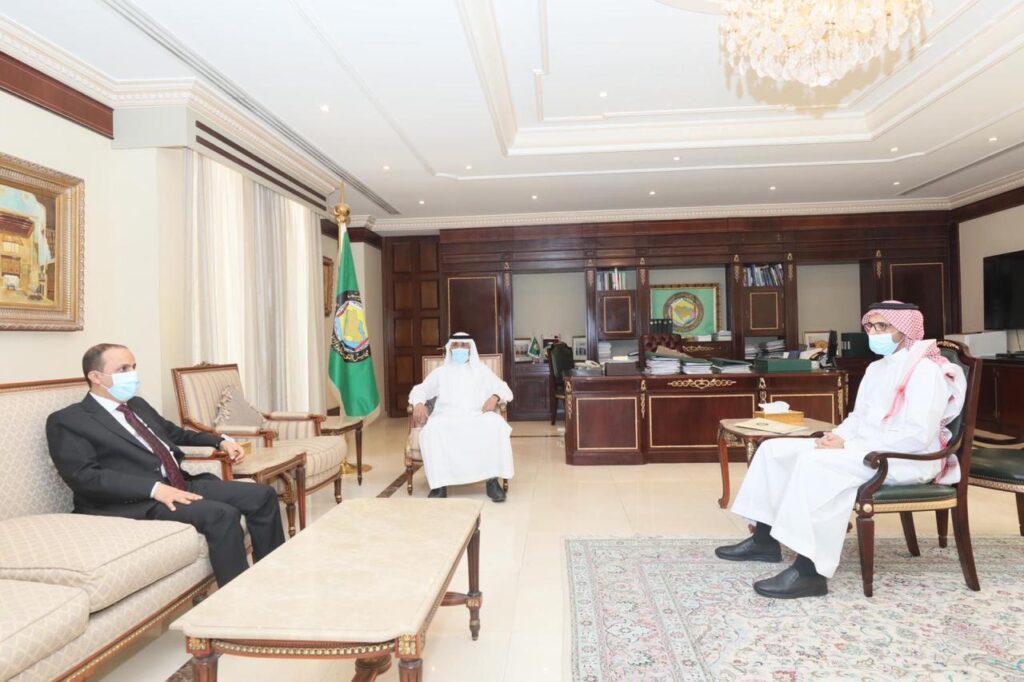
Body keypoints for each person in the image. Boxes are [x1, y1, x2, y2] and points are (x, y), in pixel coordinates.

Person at [716, 301, 966, 599]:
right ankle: (764, 541)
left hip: (905, 458)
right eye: (870, 326)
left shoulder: (925, 371)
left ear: (904, 329)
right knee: (773, 449)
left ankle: (810, 573)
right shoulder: (876, 368)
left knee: (816, 465)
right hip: (863, 449)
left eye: (883, 326)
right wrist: (836, 436)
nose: (874, 332)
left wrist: (849, 444)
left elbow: (917, 435)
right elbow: (858, 418)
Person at [46, 343, 285, 586]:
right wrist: (154, 489)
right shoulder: (69, 420)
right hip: (134, 500)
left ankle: (274, 578)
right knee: (222, 514)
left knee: (263, 495)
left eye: (133, 367)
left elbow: (175, 434)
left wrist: (220, 441)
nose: (132, 374)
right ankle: (237, 597)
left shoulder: (137, 405)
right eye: (123, 369)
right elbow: (85, 477)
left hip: (177, 483)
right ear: (96, 377)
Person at [409, 332, 514, 502]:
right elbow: (420, 390)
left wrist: (495, 397)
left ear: (470, 348)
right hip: (446, 417)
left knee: (496, 424)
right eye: (455, 345)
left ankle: (492, 482)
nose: (459, 349)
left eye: (464, 345)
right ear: (450, 349)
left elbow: (505, 389)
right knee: (433, 429)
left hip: (476, 416)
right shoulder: (441, 372)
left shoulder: (481, 370)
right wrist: (419, 403)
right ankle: (439, 486)